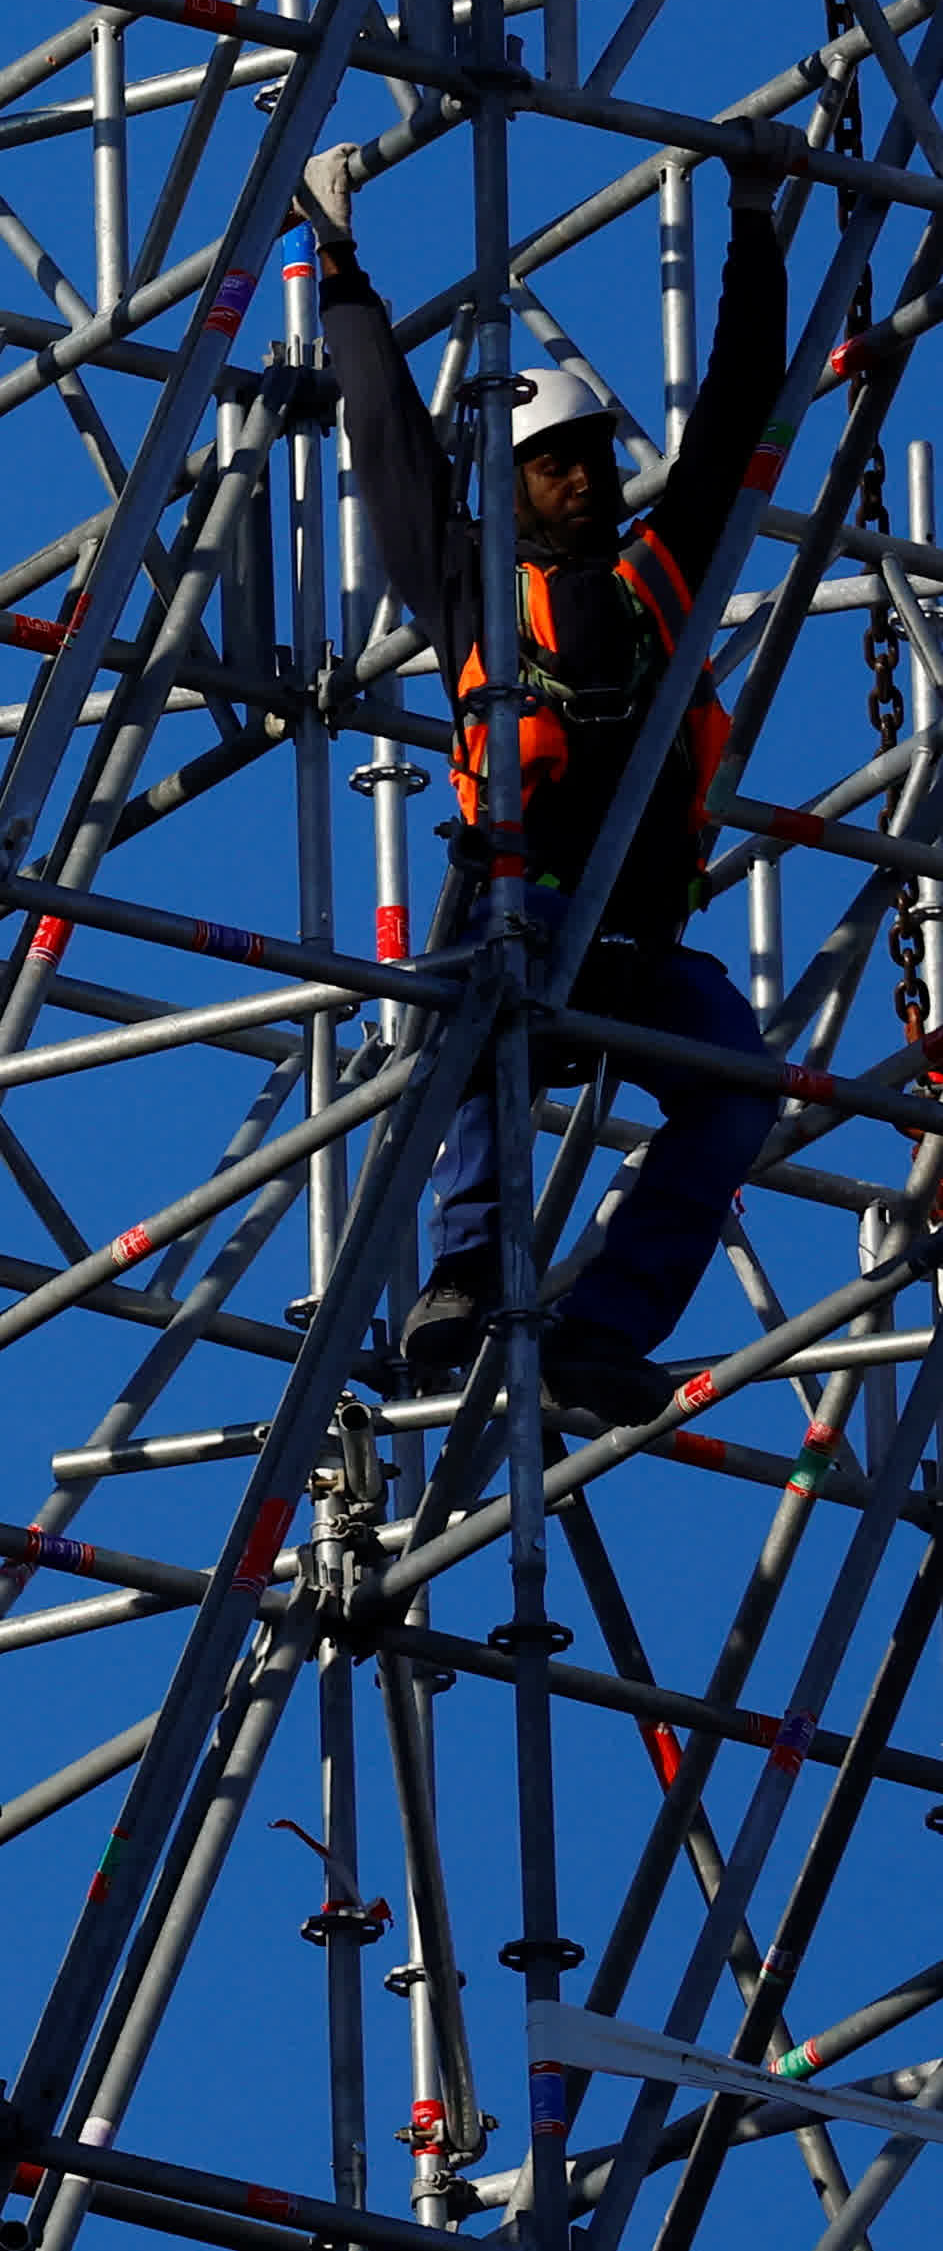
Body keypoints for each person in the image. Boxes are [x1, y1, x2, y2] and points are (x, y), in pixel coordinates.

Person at [306, 139, 788, 1427]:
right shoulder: (471, 587)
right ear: (509, 485)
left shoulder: (660, 579)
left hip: (630, 943)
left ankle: (603, 1329)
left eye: (588, 452)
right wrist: (336, 264)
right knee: (485, 1036)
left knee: (740, 1084)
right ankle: (464, 1287)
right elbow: (388, 433)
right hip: (513, 922)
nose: (582, 476)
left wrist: (755, 221)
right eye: (551, 460)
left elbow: (742, 404)